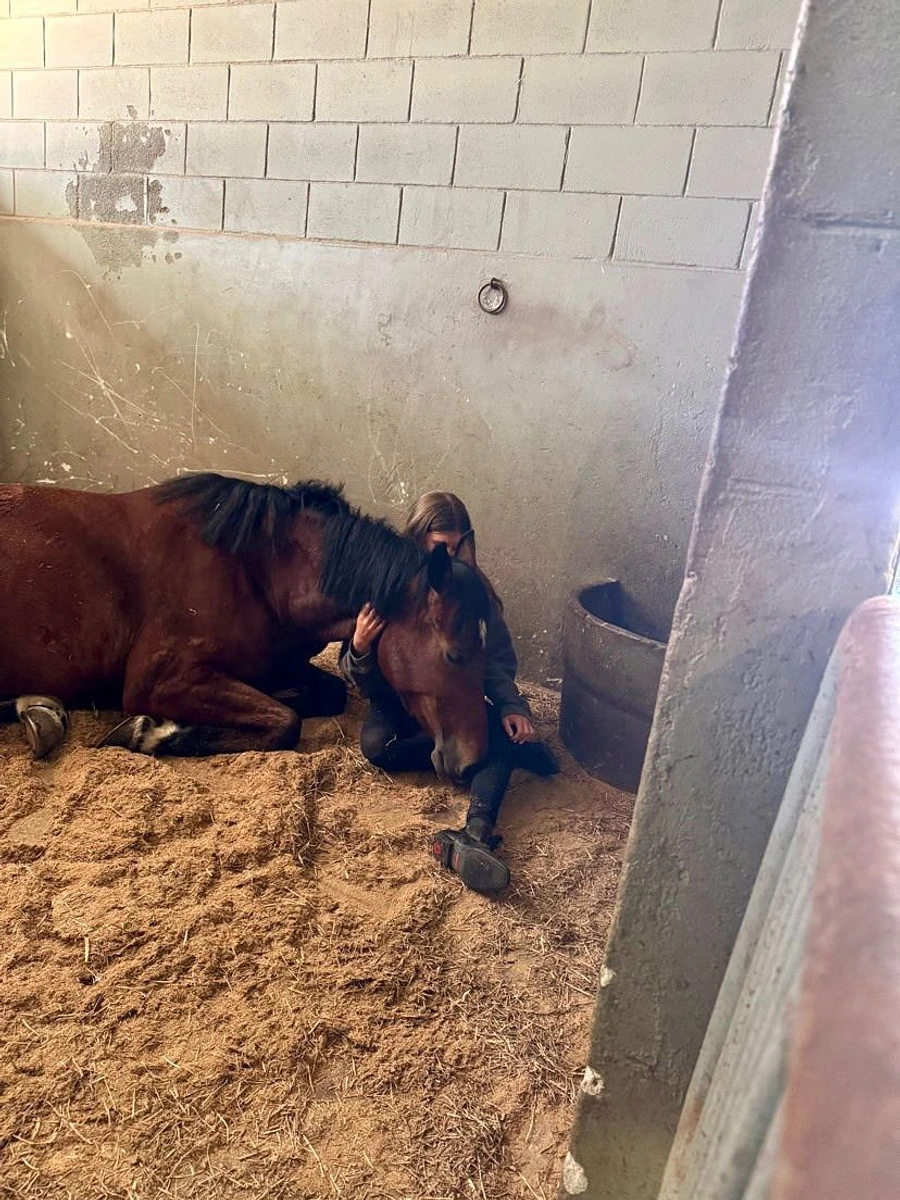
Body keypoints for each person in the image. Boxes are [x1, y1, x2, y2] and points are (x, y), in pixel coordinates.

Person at [340, 491, 558, 894]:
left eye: (459, 545)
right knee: (377, 747)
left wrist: (510, 704)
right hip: (398, 700)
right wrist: (359, 646)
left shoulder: (471, 590)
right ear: (419, 537)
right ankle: (504, 753)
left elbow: (495, 659)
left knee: (496, 731)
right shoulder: (387, 584)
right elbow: (356, 677)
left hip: (451, 697)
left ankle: (476, 831)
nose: (452, 555)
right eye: (442, 546)